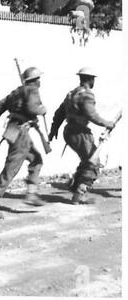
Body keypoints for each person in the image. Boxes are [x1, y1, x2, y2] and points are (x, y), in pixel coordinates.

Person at [0, 67, 47, 218]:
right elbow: (32, 108)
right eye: (39, 79)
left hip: (14, 130)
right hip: (21, 133)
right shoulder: (32, 91)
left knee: (36, 160)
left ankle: (31, 193)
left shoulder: (16, 92)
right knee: (12, 167)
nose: (40, 82)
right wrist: (42, 109)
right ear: (35, 80)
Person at [48, 67, 115, 204]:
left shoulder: (71, 93)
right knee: (93, 163)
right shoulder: (87, 95)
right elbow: (91, 114)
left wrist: (53, 130)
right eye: (93, 79)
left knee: (86, 160)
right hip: (80, 133)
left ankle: (74, 186)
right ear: (90, 79)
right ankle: (78, 195)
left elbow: (59, 113)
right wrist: (107, 123)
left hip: (69, 132)